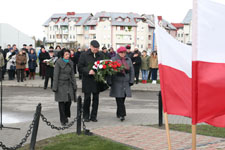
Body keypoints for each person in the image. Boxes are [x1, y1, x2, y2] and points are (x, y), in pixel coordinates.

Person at [78, 40, 104, 122]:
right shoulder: (84, 55)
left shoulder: (101, 55)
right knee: (87, 99)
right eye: (94, 48)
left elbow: (104, 65)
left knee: (96, 99)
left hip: (97, 80)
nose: (96, 49)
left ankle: (94, 116)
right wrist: (88, 71)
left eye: (97, 48)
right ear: (91, 46)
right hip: (87, 80)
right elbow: (80, 67)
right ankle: (86, 116)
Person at [107, 46, 134, 121]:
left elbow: (132, 70)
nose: (123, 54)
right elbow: (109, 71)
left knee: (123, 98)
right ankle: (122, 114)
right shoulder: (114, 59)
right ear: (118, 52)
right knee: (119, 98)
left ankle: (119, 113)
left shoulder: (128, 59)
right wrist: (109, 81)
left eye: (124, 52)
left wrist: (131, 80)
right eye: (121, 52)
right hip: (117, 81)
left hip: (125, 81)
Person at [52, 49, 77, 126]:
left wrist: (74, 84)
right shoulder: (58, 63)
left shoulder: (70, 62)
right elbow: (55, 75)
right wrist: (55, 87)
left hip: (69, 84)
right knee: (62, 102)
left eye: (68, 54)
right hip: (61, 84)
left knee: (69, 101)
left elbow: (72, 75)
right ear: (63, 55)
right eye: (66, 54)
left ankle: (66, 115)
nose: (67, 56)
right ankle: (63, 119)